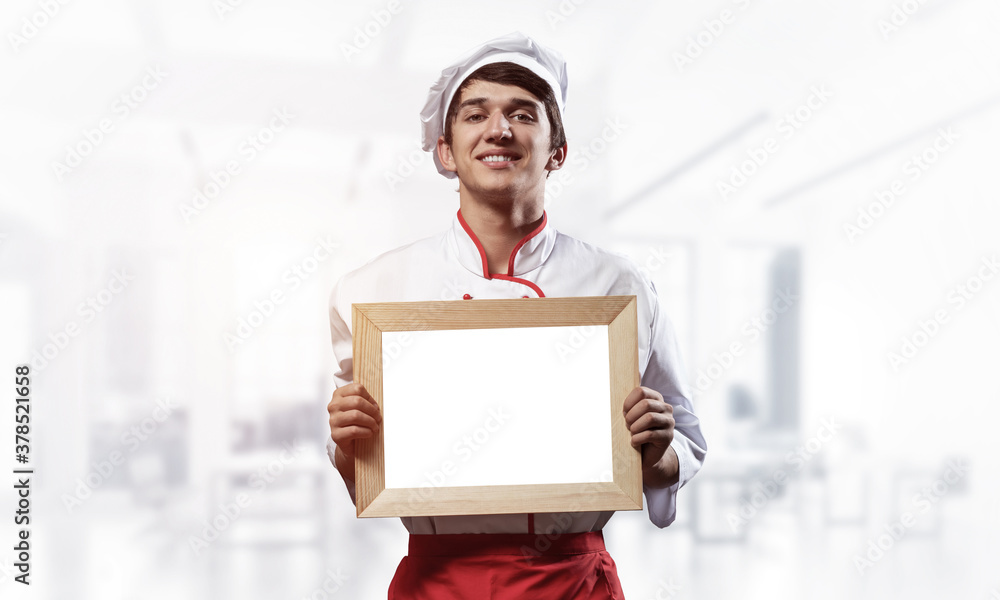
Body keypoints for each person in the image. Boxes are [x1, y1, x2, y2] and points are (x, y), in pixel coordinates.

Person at [325, 32, 707, 599]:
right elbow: (359, 463)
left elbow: (688, 441)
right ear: (445, 150)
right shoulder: (372, 291)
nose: (498, 130)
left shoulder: (620, 286)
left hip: (572, 580)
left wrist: (657, 453)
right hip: (438, 581)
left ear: (558, 150)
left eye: (522, 114)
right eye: (476, 114)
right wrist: (345, 441)